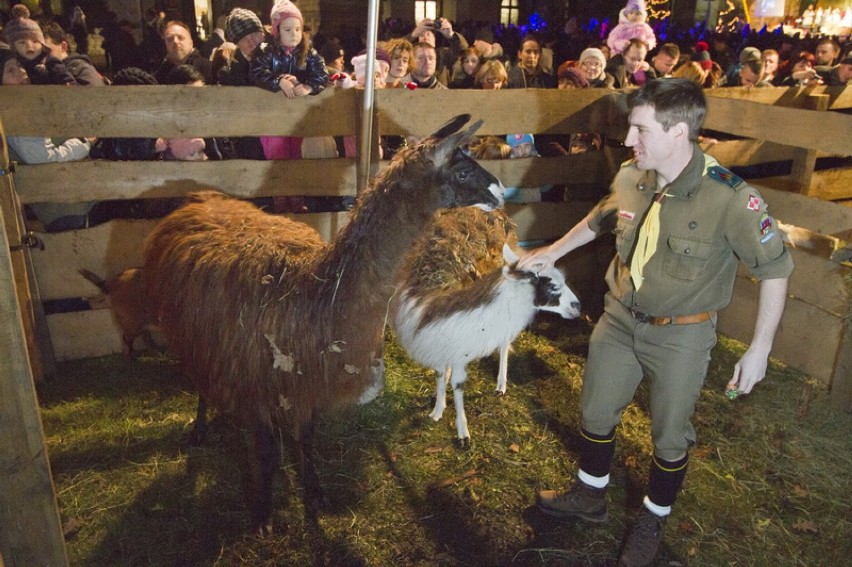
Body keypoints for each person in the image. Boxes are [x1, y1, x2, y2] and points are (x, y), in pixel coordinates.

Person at [519, 78, 793, 567]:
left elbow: (775, 268)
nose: (629, 140)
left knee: (669, 434)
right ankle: (590, 494)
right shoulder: (632, 175)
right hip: (620, 319)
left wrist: (760, 349)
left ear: (678, 131)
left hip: (682, 334)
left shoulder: (729, 199)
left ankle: (653, 516)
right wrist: (549, 252)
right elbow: (602, 218)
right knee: (596, 412)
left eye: (640, 129)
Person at [2, 49, 96, 231]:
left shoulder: (26, 104)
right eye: (10, 71)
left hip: (67, 194)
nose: (21, 72)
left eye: (20, 66)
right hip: (60, 202)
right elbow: (42, 157)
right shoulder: (15, 115)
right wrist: (85, 143)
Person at [250, 0, 328, 161]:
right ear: (277, 30)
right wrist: (278, 80)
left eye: (298, 29)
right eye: (288, 29)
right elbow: (256, 72)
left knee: (298, 154)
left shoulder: (308, 52)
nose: (294, 34)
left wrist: (308, 86)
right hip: (272, 117)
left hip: (298, 116)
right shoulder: (266, 50)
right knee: (278, 155)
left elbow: (321, 73)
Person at [215, 7, 267, 161]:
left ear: (262, 33)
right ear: (236, 43)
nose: (251, 42)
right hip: (253, 144)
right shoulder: (230, 74)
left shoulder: (276, 54)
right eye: (244, 39)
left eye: (254, 35)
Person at [4, 4, 74, 85]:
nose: (29, 46)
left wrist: (67, 83)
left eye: (35, 41)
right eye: (22, 42)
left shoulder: (50, 62)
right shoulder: (15, 63)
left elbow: (65, 78)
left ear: (42, 45)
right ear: (14, 47)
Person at [406, 17, 468, 86]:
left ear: (434, 40)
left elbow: (463, 52)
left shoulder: (443, 54)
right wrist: (413, 34)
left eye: (428, 35)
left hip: (440, 93)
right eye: (421, 35)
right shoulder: (411, 54)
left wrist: (451, 35)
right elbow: (395, 50)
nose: (425, 38)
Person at [41, 21, 105, 86]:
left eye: (46, 51)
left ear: (63, 47)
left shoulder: (81, 69)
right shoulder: (43, 72)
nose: (41, 58)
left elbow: (98, 94)